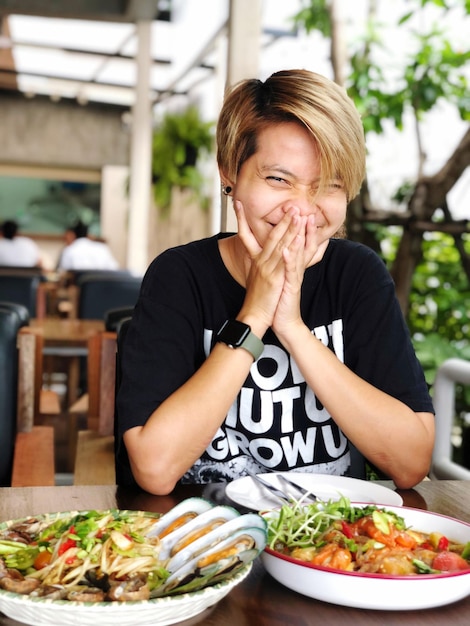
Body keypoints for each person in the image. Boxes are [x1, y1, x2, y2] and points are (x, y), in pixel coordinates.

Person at [116, 69, 435, 495]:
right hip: (207, 543)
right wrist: (256, 314)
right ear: (230, 174)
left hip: (327, 545)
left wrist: (293, 329)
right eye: (278, 179)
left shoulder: (356, 275)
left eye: (328, 185)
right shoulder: (181, 276)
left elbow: (412, 462)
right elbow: (154, 470)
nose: (301, 211)